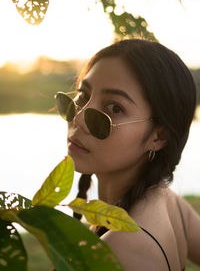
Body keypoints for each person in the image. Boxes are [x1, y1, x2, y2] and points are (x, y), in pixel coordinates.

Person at [55, 39, 200, 271]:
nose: (79, 119)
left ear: (158, 137)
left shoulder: (116, 255)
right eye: (83, 94)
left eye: (114, 108)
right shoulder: (168, 202)